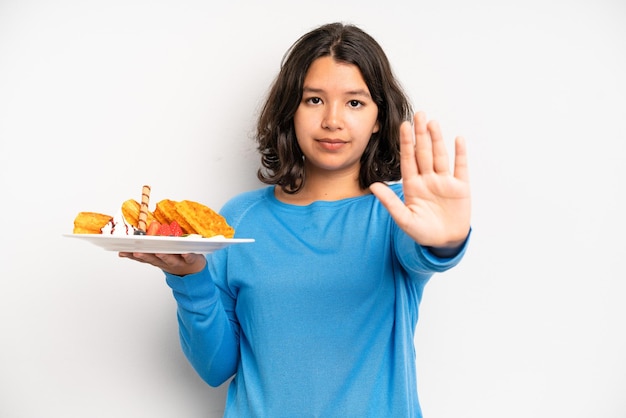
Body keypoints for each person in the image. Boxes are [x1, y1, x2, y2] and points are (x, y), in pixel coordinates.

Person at [120, 22, 471, 418]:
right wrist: (190, 278)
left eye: (354, 102)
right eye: (314, 100)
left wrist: (447, 241)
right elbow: (216, 368)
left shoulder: (397, 212)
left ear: (378, 117)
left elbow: (429, 248)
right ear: (291, 109)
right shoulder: (239, 219)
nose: (333, 121)